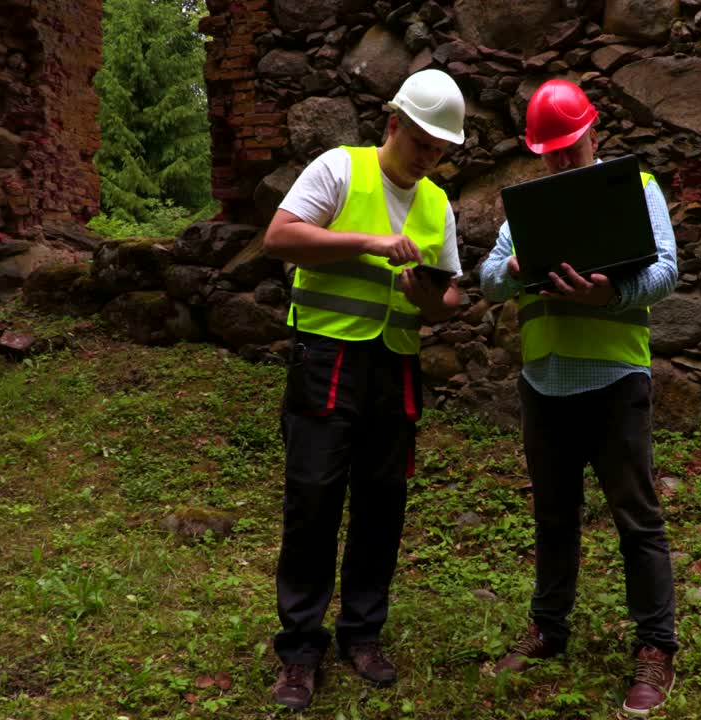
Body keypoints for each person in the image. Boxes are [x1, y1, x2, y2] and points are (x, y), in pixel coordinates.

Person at [260, 68, 466, 712]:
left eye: (440, 149)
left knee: (383, 503)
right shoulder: (339, 169)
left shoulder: (437, 204)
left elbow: (452, 296)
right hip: (327, 357)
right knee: (314, 498)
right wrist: (371, 242)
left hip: (396, 368)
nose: (429, 157)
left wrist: (428, 295)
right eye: (422, 142)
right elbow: (281, 237)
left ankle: (362, 634)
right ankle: (299, 650)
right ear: (394, 122)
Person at [479, 79, 681, 717]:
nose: (562, 159)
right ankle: (548, 629)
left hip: (617, 382)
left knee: (637, 518)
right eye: (551, 151)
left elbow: (666, 270)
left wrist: (608, 296)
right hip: (545, 385)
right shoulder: (525, 210)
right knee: (553, 516)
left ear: (593, 132)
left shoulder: (636, 191)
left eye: (571, 145)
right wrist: (511, 272)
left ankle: (656, 647)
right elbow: (485, 283)